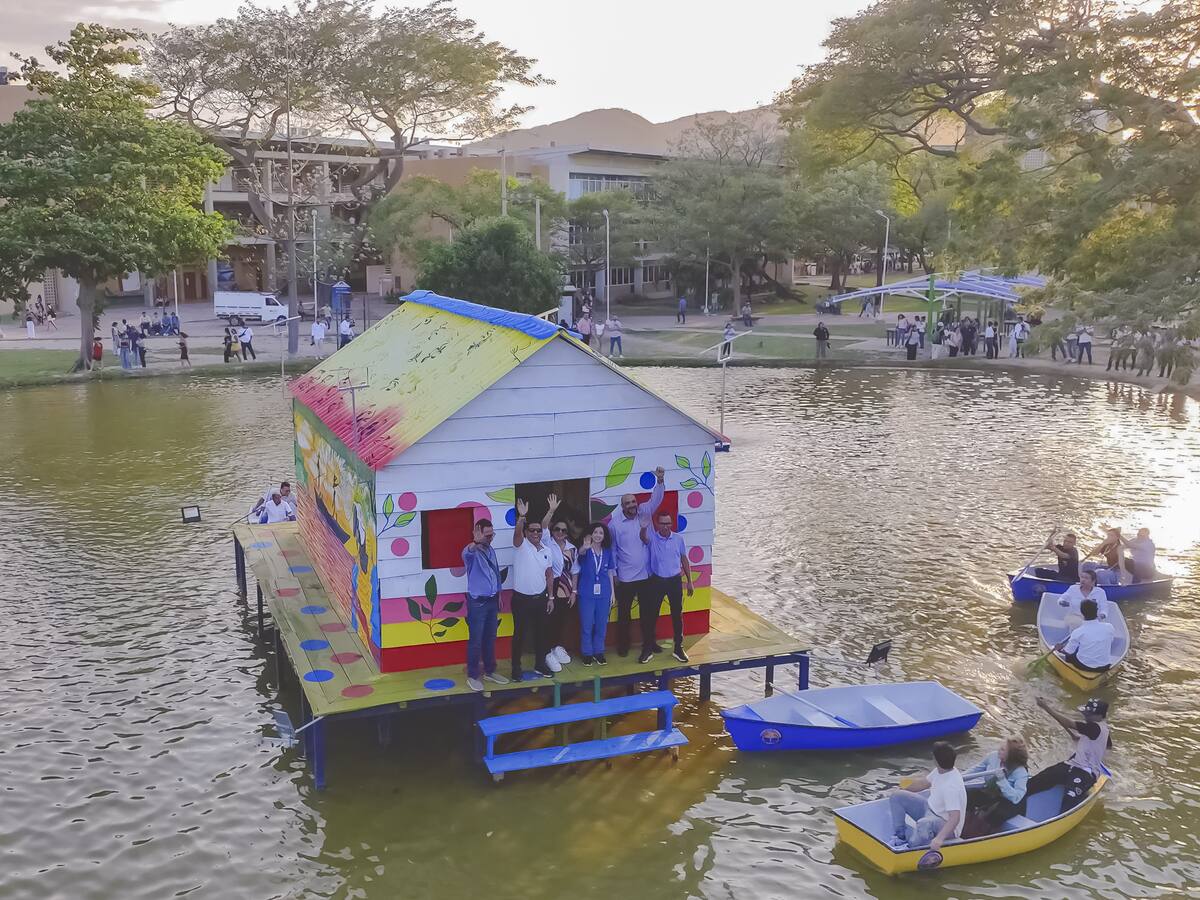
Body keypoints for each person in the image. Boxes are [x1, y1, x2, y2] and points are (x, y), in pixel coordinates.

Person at [610, 465, 665, 657]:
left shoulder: (645, 511)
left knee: (648, 612)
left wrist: (659, 481)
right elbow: (613, 550)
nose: (632, 505)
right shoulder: (614, 524)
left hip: (647, 574)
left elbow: (656, 498)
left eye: (633, 501)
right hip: (625, 577)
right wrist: (615, 574)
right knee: (624, 614)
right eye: (628, 503)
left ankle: (650, 643)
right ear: (622, 506)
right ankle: (623, 646)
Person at [1030, 696, 1111, 812]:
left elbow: (1069, 723)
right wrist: (1081, 739)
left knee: (1069, 799)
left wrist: (1046, 707)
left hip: (1087, 773)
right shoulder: (1102, 729)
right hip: (1072, 764)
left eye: (1089, 714)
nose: (1085, 716)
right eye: (1085, 713)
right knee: (1038, 780)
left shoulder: (1094, 727)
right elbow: (1106, 746)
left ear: (1100, 716)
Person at [888, 742, 967, 851]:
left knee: (923, 824)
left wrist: (939, 839)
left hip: (944, 823)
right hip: (929, 809)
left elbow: (955, 818)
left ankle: (910, 848)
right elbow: (922, 784)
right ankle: (900, 837)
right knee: (896, 796)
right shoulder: (940, 770)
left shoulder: (951, 787)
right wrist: (900, 786)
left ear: (936, 760)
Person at [639, 510, 695, 663]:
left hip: (674, 581)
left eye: (668, 523)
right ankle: (648, 649)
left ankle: (678, 648)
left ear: (671, 523)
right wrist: (643, 528)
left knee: (677, 615)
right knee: (652, 615)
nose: (666, 526)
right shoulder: (652, 538)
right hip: (657, 581)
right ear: (658, 524)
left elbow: (684, 559)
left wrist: (690, 581)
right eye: (663, 523)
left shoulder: (678, 539)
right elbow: (643, 538)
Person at [461, 519, 509, 692]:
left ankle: (490, 671)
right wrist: (476, 541)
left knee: (490, 637)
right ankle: (472, 675)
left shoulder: (491, 550)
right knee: (476, 640)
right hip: (478, 602)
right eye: (487, 535)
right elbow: (466, 553)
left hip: (492, 600)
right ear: (478, 532)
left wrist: (499, 594)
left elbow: (495, 572)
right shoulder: (471, 552)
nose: (490, 538)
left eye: (492, 535)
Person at [510, 500, 555, 680]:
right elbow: (516, 533)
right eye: (532, 530)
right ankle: (516, 668)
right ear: (527, 532)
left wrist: (551, 597)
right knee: (519, 635)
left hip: (540, 599)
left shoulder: (547, 550)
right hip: (521, 599)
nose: (536, 533)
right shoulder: (521, 545)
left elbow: (549, 574)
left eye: (539, 530)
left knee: (541, 634)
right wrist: (521, 517)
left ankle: (540, 664)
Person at [962, 738, 1030, 837]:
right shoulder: (993, 756)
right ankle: (964, 825)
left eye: (1003, 749)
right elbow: (976, 770)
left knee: (997, 813)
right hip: (992, 793)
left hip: (1009, 801)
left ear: (1011, 756)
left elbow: (1016, 798)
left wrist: (1002, 780)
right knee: (967, 795)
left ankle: (984, 835)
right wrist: (958, 778)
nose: (999, 750)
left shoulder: (1021, 772)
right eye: (1000, 747)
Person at [540, 494, 577, 673]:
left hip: (567, 587)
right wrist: (551, 510)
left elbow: (575, 570)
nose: (560, 533)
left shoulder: (572, 548)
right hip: (552, 585)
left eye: (563, 530)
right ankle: (547, 651)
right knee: (549, 620)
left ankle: (556, 647)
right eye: (557, 529)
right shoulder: (547, 542)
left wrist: (574, 591)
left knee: (561, 619)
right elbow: (544, 525)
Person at [575, 522, 616, 666]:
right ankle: (587, 653)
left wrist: (612, 592)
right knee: (586, 625)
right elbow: (579, 556)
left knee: (601, 625)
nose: (598, 535)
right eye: (595, 532)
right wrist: (584, 548)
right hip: (586, 593)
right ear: (590, 534)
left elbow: (610, 571)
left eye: (601, 533)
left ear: (604, 536)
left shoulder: (608, 551)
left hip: (604, 593)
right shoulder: (586, 550)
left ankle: (599, 652)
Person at [1054, 598, 1116, 672]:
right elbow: (1111, 641)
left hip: (1085, 666)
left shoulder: (1078, 632)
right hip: (1105, 666)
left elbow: (1068, 652)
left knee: (1069, 655)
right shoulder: (1109, 626)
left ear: (1081, 612)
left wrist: (1060, 649)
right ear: (1097, 611)